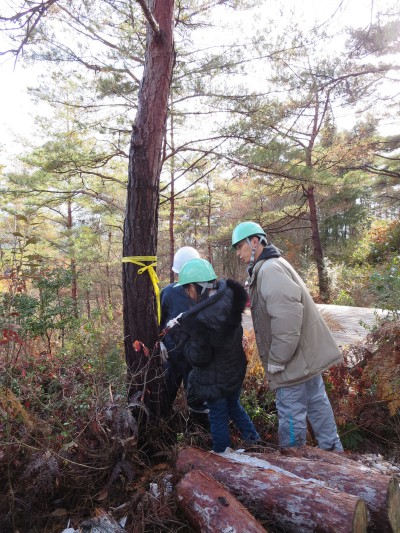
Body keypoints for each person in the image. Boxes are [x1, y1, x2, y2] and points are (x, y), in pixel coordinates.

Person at [231, 221, 344, 452]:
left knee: (291, 415)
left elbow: (287, 319)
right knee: (318, 405)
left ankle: (295, 468)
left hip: (292, 363)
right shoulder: (273, 265)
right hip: (304, 359)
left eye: (239, 246)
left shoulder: (270, 269)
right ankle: (334, 457)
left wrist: (277, 359)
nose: (238, 253)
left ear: (255, 242)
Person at [170, 257, 261, 453]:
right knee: (234, 405)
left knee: (217, 415)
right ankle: (254, 440)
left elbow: (198, 358)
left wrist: (180, 336)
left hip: (214, 378)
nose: (186, 293)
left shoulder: (202, 319)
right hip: (234, 370)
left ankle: (221, 453)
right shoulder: (228, 296)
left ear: (199, 286)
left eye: (188, 288)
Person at [160, 246, 208, 414]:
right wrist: (160, 343)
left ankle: (198, 431)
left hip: (194, 358)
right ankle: (162, 427)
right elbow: (157, 322)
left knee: (198, 402)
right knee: (164, 397)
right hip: (172, 357)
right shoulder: (167, 293)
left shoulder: (204, 293)